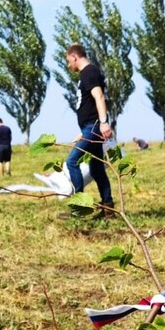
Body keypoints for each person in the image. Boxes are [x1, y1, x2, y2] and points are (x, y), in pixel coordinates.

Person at [64, 44, 114, 216]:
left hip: (93, 126)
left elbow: (99, 96)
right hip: (90, 127)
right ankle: (108, 207)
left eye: (68, 60)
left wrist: (103, 122)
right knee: (96, 168)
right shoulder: (87, 74)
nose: (68, 65)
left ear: (74, 57)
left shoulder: (89, 72)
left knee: (72, 162)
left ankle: (79, 207)